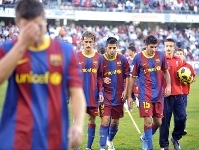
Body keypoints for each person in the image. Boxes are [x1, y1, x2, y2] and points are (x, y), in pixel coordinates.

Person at [0, 0, 86, 149]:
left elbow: (77, 92)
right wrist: (22, 45)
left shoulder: (65, 51)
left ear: (45, 21)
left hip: (54, 137)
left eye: (39, 26)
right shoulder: (9, 48)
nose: (35, 33)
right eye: (28, 28)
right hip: (15, 137)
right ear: (18, 24)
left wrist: (78, 124)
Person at [127, 35, 171, 150]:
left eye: (156, 47)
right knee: (148, 121)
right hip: (145, 95)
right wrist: (129, 96)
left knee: (158, 122)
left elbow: (166, 72)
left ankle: (145, 138)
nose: (154, 49)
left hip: (159, 95)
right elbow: (132, 77)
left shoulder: (160, 55)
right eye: (151, 47)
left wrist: (169, 86)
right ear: (146, 45)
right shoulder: (138, 58)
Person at [99, 37, 130, 150]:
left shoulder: (123, 59)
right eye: (110, 48)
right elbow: (97, 77)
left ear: (117, 47)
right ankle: (102, 147)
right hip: (105, 95)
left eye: (114, 48)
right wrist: (103, 80)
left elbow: (128, 76)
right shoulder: (101, 60)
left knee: (115, 122)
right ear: (106, 47)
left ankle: (109, 140)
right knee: (105, 120)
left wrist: (126, 91)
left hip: (118, 96)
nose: (112, 50)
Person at [77, 31, 104, 150]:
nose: (88, 44)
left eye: (90, 42)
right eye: (86, 42)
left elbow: (100, 76)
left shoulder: (99, 57)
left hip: (93, 94)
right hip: (79, 94)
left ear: (94, 43)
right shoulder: (76, 56)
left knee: (91, 119)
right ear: (82, 41)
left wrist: (101, 92)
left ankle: (88, 147)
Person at [159, 38, 186, 150]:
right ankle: (164, 145)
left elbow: (182, 76)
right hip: (165, 96)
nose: (169, 48)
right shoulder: (160, 59)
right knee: (165, 122)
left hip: (179, 94)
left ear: (174, 47)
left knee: (182, 117)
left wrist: (187, 79)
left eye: (171, 46)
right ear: (164, 47)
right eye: (167, 46)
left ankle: (175, 137)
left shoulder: (178, 60)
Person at [175, 48, 196, 135]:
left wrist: (189, 80)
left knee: (183, 112)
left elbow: (193, 78)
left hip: (184, 93)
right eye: (178, 54)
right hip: (175, 92)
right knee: (177, 113)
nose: (179, 55)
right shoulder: (174, 65)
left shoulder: (188, 66)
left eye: (181, 54)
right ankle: (179, 129)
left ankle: (182, 128)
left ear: (184, 55)